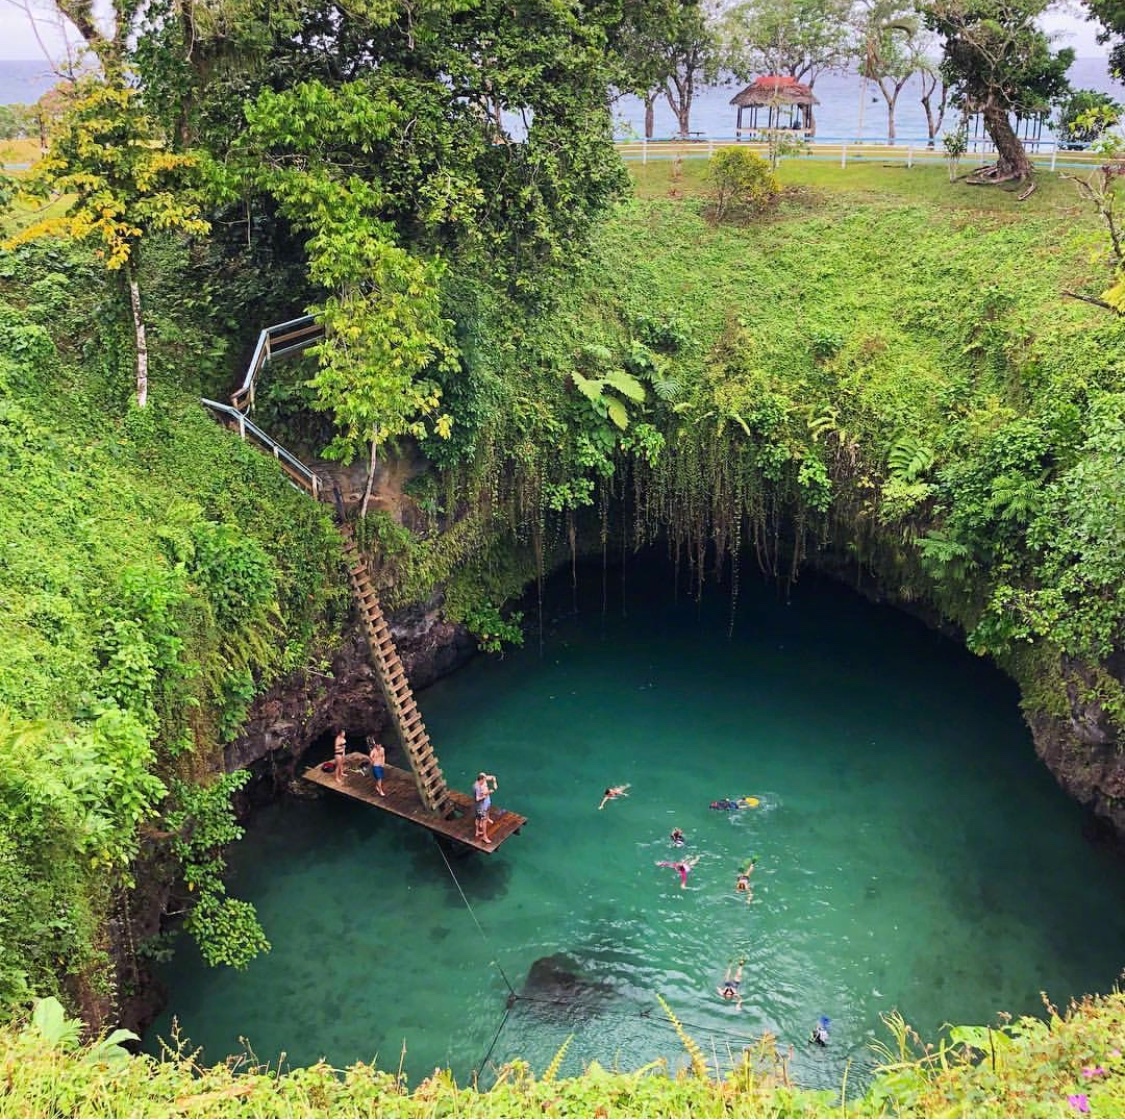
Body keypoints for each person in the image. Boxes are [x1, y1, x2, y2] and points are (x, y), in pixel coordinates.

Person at [474, 771, 498, 843]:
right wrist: (489, 792)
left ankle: (487, 818)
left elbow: (493, 777)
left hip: (487, 801)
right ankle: (484, 836)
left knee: (488, 809)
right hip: (481, 805)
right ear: (480, 779)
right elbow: (478, 798)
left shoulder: (484, 779)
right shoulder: (477, 786)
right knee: (481, 819)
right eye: (484, 780)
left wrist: (494, 783)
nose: (485, 780)